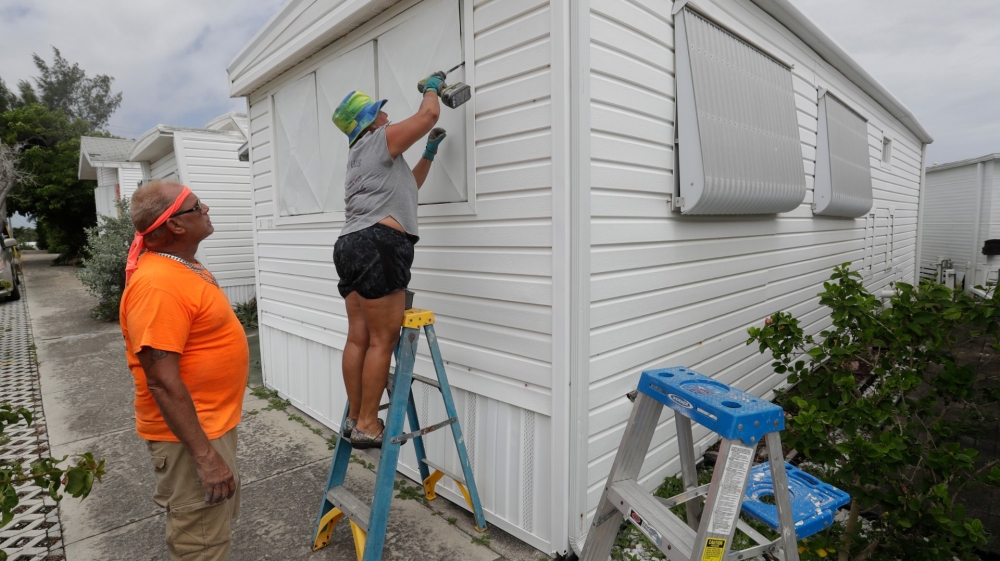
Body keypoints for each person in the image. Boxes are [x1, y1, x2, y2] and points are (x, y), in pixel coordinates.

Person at [120, 180, 248, 560]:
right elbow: (161, 381)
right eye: (196, 206)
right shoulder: (157, 286)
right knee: (201, 545)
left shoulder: (180, 266)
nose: (206, 208)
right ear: (175, 225)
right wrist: (205, 457)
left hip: (209, 426)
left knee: (212, 531)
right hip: (190, 439)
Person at [330, 73, 448, 448]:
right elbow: (428, 115)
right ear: (369, 122)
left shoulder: (358, 157)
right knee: (383, 339)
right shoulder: (379, 139)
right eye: (379, 112)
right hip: (378, 245)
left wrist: (428, 154)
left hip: (350, 245)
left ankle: (354, 419)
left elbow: (406, 188)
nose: (386, 116)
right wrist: (432, 87)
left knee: (359, 338)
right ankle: (369, 423)